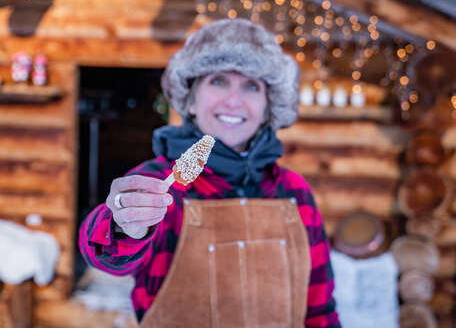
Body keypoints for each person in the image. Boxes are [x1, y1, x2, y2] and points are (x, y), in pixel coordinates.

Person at [79, 18, 341, 328]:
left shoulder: (294, 191)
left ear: (268, 107)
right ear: (191, 101)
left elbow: (319, 308)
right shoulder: (159, 183)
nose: (234, 100)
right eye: (218, 81)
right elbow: (106, 256)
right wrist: (123, 226)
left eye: (251, 85)